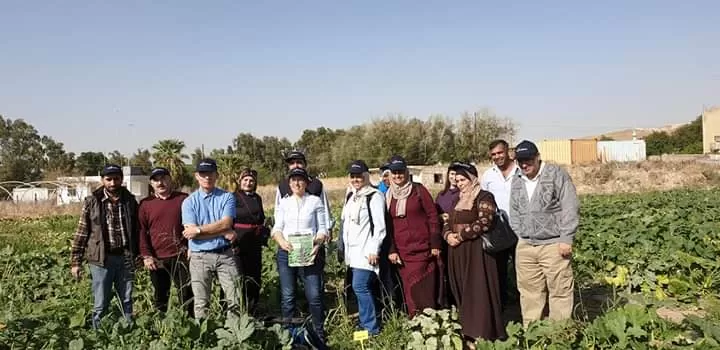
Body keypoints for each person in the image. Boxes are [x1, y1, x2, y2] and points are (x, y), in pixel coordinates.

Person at [509, 140, 580, 327]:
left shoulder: (556, 174)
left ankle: (559, 336)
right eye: (520, 161)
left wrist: (566, 238)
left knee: (560, 291)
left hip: (553, 244)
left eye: (528, 160)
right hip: (526, 246)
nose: (524, 164)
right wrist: (521, 234)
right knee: (529, 293)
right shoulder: (517, 179)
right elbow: (514, 210)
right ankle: (533, 336)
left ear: (538, 157)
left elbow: (570, 206)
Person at [443, 162, 506, 346]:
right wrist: (448, 236)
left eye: (463, 180)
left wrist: (461, 235)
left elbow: (485, 221)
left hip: (477, 253)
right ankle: (467, 332)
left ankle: (483, 333)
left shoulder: (484, 196)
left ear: (472, 179)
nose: (460, 183)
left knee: (478, 291)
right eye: (458, 180)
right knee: (462, 290)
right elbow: (448, 220)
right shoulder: (458, 199)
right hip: (457, 253)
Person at [70, 164, 140, 328]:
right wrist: (75, 262)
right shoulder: (92, 202)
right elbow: (81, 233)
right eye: (109, 179)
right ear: (102, 180)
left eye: (116, 179)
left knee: (127, 299)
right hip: (101, 260)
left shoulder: (130, 201)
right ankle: (99, 336)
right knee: (101, 302)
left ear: (121, 179)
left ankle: (128, 332)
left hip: (125, 258)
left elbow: (138, 231)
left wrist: (139, 255)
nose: (113, 183)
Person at [272, 167, 329, 346]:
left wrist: (317, 243)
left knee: (314, 295)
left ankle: (318, 333)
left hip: (309, 252)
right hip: (286, 252)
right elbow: (277, 228)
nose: (297, 183)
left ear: (307, 182)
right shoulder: (284, 203)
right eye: (293, 180)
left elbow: (322, 228)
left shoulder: (314, 202)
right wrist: (281, 241)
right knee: (288, 295)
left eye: (300, 180)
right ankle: (289, 334)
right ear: (289, 184)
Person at [181, 158, 240, 320]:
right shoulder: (188, 202)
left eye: (210, 174)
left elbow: (226, 222)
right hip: (200, 257)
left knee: (234, 299)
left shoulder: (227, 197)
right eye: (203, 174)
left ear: (216, 175)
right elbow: (190, 232)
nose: (207, 177)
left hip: (225, 255)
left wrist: (199, 230)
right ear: (197, 177)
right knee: (201, 302)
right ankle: (205, 338)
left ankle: (234, 336)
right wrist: (222, 231)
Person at [385, 155, 443, 317]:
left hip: (422, 249)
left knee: (423, 286)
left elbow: (432, 216)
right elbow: (387, 225)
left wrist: (435, 243)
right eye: (394, 173)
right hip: (402, 250)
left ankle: (429, 322)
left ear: (406, 172)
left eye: (400, 172)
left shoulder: (418, 190)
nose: (397, 176)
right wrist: (392, 249)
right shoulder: (388, 195)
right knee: (408, 288)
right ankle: (414, 321)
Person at [138, 167, 194, 317]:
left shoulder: (183, 199)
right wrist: (147, 255)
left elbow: (192, 224)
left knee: (187, 294)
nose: (160, 183)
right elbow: (142, 232)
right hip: (157, 258)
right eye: (156, 180)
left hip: (181, 256)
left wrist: (191, 247)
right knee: (161, 296)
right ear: (151, 183)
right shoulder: (145, 204)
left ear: (170, 180)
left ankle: (189, 325)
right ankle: (161, 328)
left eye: (163, 178)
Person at [340, 160, 387, 335]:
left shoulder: (374, 196)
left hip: (366, 252)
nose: (356, 179)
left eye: (359, 175)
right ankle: (365, 322)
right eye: (353, 176)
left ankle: (371, 328)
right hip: (353, 253)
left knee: (360, 286)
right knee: (360, 288)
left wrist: (374, 249)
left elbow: (380, 227)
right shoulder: (352, 196)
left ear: (366, 176)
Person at [480, 139, 521, 308]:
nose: (497, 157)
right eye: (494, 155)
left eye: (500, 153)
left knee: (523, 270)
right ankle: (502, 306)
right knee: (499, 270)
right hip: (500, 231)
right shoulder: (489, 175)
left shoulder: (521, 171)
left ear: (508, 152)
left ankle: (523, 304)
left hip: (521, 230)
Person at [229, 168, 268, 314]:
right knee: (239, 276)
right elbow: (228, 221)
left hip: (255, 242)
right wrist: (231, 242)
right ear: (240, 181)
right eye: (245, 180)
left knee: (255, 275)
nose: (248, 182)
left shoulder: (257, 198)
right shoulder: (233, 197)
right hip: (238, 242)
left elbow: (261, 218)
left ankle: (253, 307)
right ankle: (238, 308)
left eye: (251, 180)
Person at [275, 150, 333, 234]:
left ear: (305, 165)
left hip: (313, 235)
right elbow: (277, 211)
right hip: (289, 238)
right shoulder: (282, 186)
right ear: (288, 166)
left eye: (299, 162)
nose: (296, 165)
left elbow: (324, 208)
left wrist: (328, 228)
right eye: (292, 163)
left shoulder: (316, 184)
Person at [434, 162, 461, 308]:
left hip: (457, 237)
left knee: (456, 270)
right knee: (444, 270)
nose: (454, 177)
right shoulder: (441, 195)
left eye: (457, 174)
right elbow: (434, 214)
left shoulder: (463, 194)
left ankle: (458, 301)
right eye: (451, 173)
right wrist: (440, 217)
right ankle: (446, 302)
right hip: (443, 236)